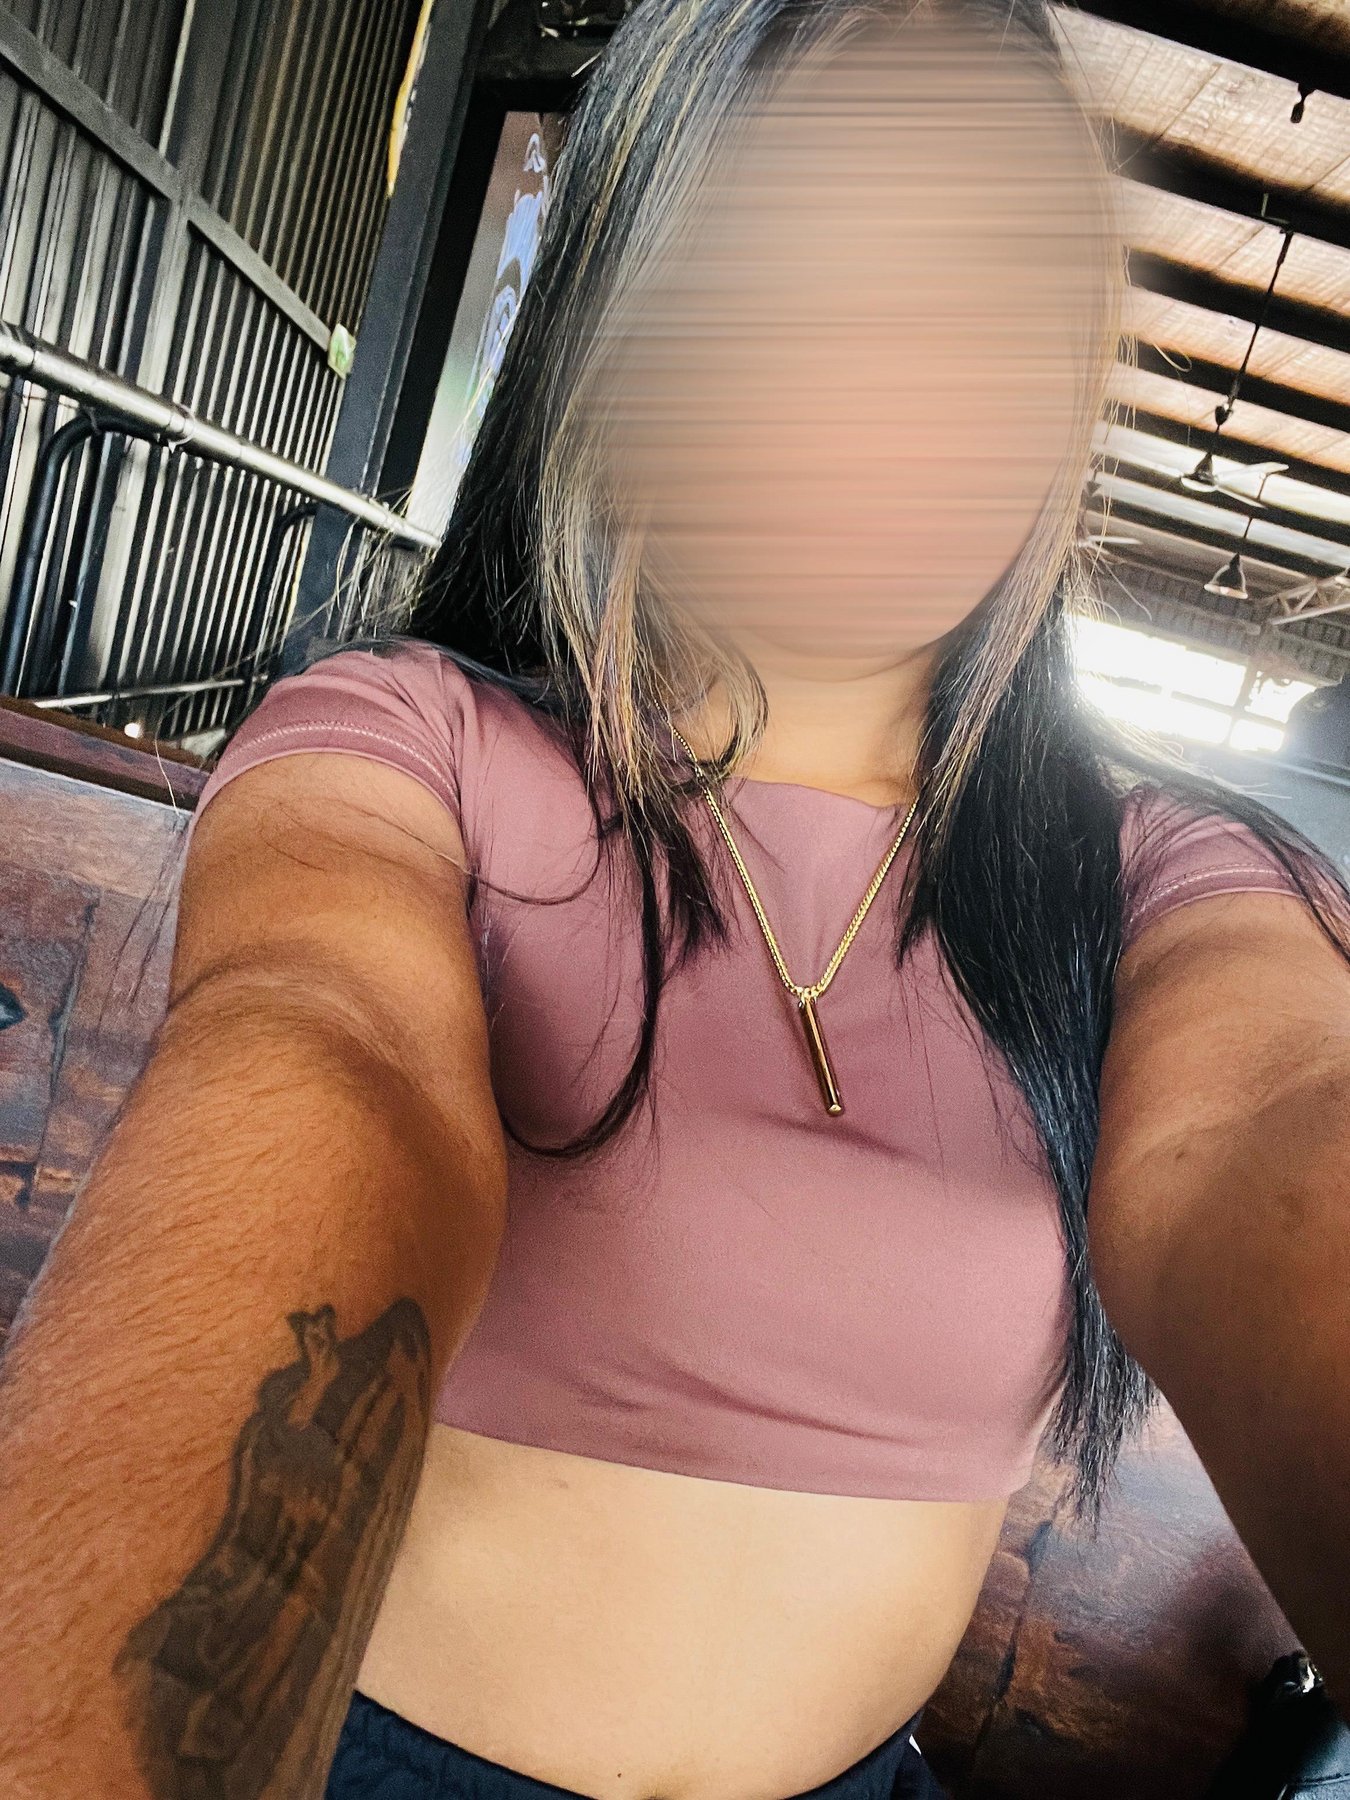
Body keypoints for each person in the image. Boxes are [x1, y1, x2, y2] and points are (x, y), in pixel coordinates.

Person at [2, 2, 1349, 1797]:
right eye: (792, 263)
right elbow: (323, 1051)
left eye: (987, 274)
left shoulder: (1169, 880)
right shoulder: (405, 745)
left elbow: (1269, 1146)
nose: (894, 365)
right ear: (622, 325)